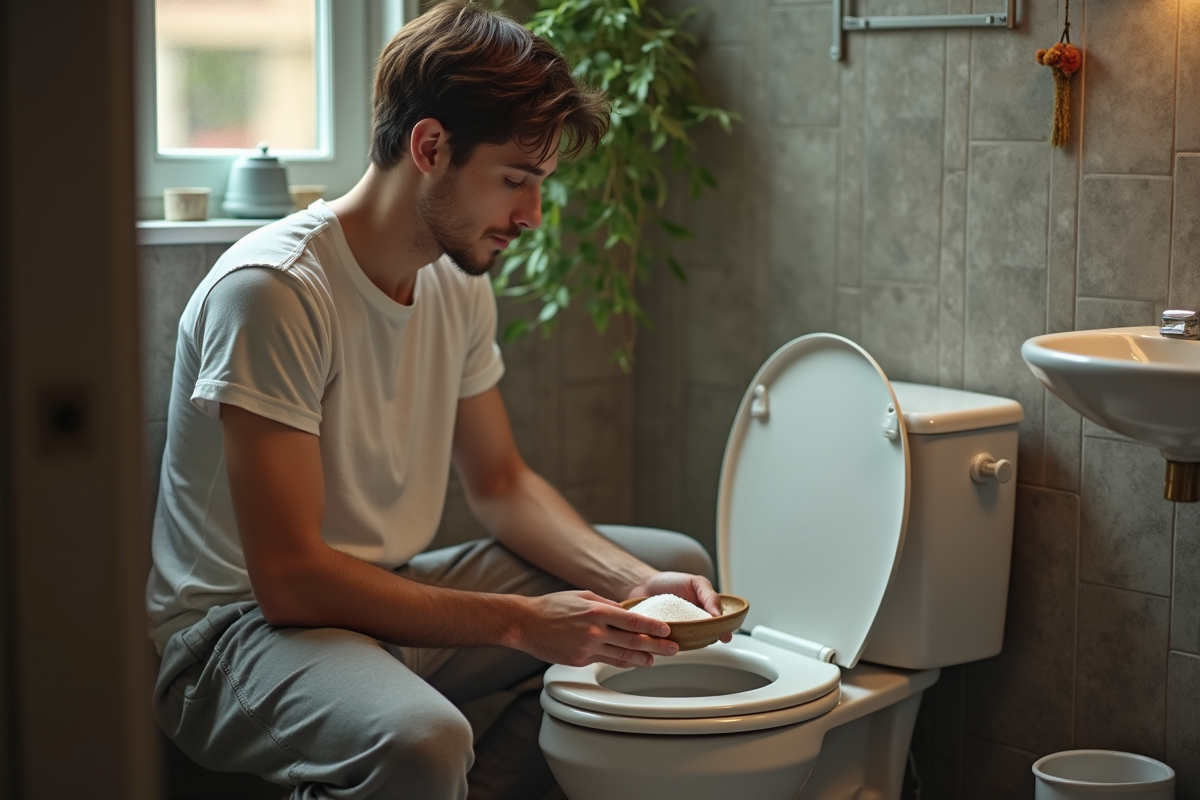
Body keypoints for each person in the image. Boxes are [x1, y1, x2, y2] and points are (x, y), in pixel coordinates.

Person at [146, 3, 724, 798]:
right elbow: (290, 580)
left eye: (540, 184)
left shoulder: (453, 282)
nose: (530, 216)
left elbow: (501, 485)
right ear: (429, 146)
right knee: (424, 741)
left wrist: (631, 583)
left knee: (670, 578)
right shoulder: (274, 292)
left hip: (378, 591)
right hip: (236, 637)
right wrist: (523, 622)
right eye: (515, 180)